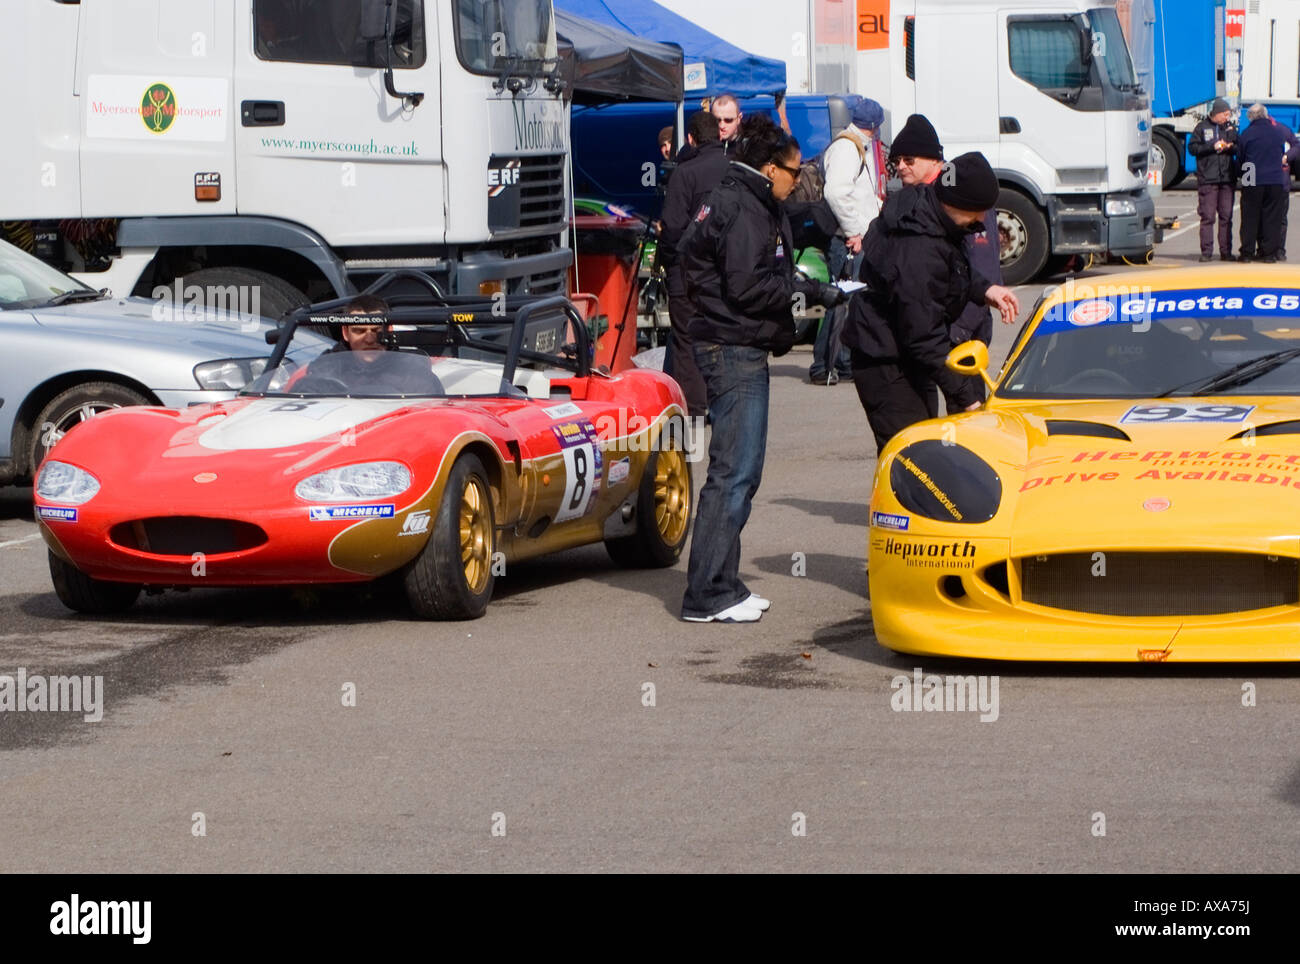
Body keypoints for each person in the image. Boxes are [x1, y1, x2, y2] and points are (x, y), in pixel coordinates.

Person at [679, 114, 845, 623]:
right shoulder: (744, 204)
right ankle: (707, 593)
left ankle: (722, 583)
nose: (798, 182)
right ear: (769, 168)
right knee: (735, 473)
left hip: (728, 341)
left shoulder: (736, 196)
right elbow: (748, 284)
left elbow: (707, 261)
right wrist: (810, 290)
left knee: (735, 472)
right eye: (794, 172)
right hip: (732, 348)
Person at [844, 151, 1019, 454]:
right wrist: (967, 396)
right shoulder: (918, 248)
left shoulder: (931, 214)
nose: (981, 221)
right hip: (885, 358)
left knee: (925, 450)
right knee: (912, 456)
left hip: (905, 350)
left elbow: (949, 270)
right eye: (977, 213)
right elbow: (923, 334)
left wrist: (984, 288)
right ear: (956, 203)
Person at [889, 114, 1003, 399]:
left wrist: (958, 332)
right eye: (896, 160)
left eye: (909, 159)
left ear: (934, 161)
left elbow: (981, 269)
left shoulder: (960, 199)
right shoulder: (910, 201)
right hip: (925, 337)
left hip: (960, 332)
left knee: (968, 416)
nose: (900, 166)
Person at [810, 97, 887, 386]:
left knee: (847, 301)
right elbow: (836, 193)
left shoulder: (850, 144)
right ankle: (823, 365)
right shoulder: (848, 148)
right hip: (847, 240)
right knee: (840, 300)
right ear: (874, 127)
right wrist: (854, 231)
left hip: (849, 238)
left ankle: (840, 362)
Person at [659, 110, 731, 416]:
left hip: (687, 270)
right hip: (727, 267)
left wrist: (666, 259)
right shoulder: (734, 169)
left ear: (690, 139)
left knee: (687, 340)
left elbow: (672, 227)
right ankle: (723, 401)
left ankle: (696, 406)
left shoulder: (684, 173)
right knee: (723, 335)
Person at [1237, 103, 1294, 262]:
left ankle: (1247, 253)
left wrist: (1239, 174)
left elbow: (1241, 158)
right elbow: (1282, 153)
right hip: (1275, 180)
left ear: (1251, 117)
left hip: (1252, 178)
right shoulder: (1278, 133)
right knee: (1272, 218)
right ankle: (1269, 253)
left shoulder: (1247, 134)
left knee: (1250, 218)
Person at [1188, 99, 1239, 262]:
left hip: (1226, 178)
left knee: (1226, 216)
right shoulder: (1201, 128)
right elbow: (1193, 149)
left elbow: (1239, 146)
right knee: (1208, 216)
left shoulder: (1229, 128)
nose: (1227, 117)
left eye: (1228, 114)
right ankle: (1206, 252)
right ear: (1216, 113)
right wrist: (1212, 147)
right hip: (1208, 179)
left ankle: (1226, 252)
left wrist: (1229, 146)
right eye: (1225, 114)